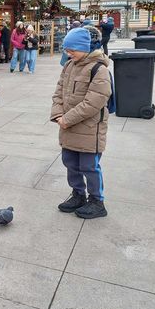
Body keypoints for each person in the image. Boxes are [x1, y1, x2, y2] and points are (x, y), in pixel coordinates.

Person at [51, 27, 111, 219]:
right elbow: (59, 91)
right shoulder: (69, 66)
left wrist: (67, 119)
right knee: (70, 163)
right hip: (68, 127)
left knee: (89, 166)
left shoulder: (98, 69)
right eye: (67, 50)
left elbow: (93, 102)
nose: (68, 53)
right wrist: (57, 113)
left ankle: (96, 201)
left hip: (88, 129)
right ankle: (78, 194)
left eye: (72, 50)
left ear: (85, 47)